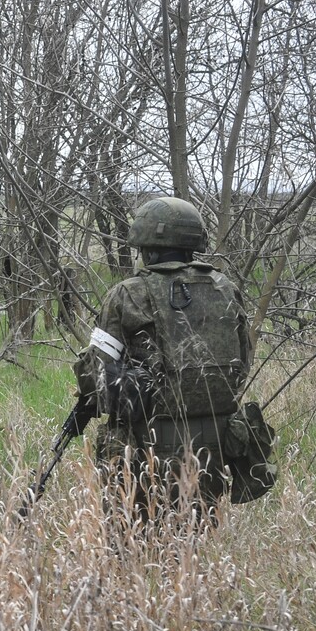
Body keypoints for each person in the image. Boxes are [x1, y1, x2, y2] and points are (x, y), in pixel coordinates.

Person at [69, 196, 255, 519]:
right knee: (196, 551)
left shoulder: (128, 294)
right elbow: (243, 364)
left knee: (133, 555)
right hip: (213, 455)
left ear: (147, 247)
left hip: (145, 457)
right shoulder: (226, 289)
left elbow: (93, 377)